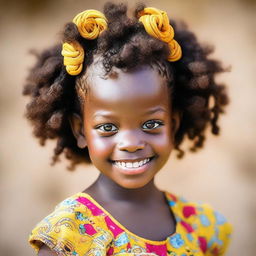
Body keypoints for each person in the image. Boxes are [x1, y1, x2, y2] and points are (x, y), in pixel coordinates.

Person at [23, 2, 232, 256]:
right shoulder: (68, 236)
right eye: (108, 127)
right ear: (80, 130)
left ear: (173, 125)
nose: (131, 142)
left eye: (151, 124)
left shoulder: (201, 227)